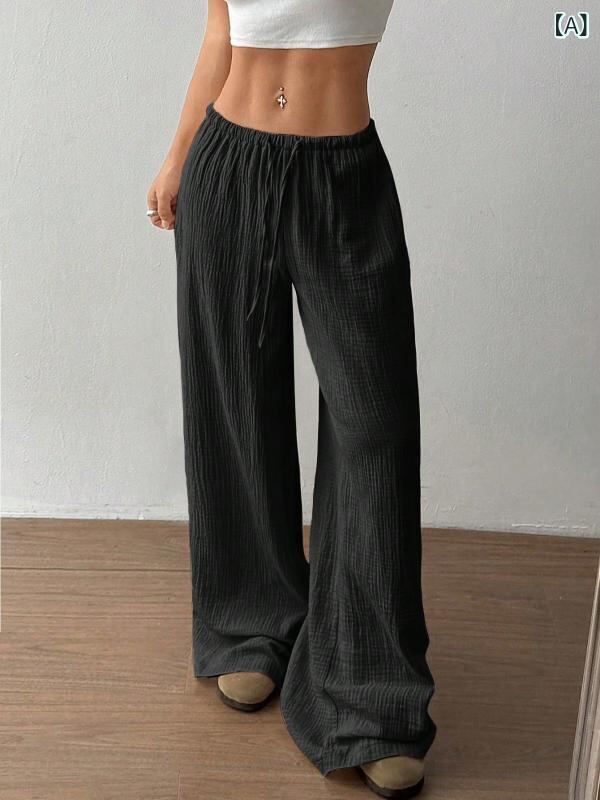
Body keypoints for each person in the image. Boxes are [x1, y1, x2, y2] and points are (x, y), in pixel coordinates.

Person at [147, 1, 436, 796]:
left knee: (374, 427)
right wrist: (178, 153)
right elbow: (220, 32)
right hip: (227, 164)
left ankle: (371, 695)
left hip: (343, 178)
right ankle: (251, 621)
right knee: (233, 401)